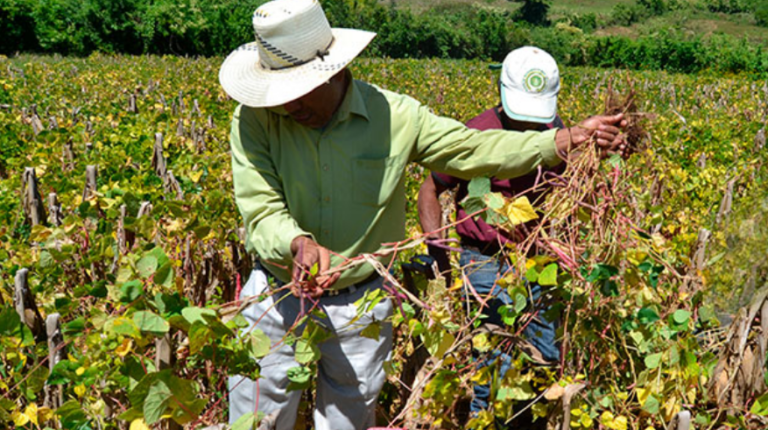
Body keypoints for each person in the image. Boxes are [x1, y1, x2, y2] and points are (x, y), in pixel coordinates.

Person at [218, 1, 626, 429]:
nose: (289, 105)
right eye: (280, 93)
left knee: (346, 423)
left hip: (360, 305)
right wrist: (297, 243)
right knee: (256, 421)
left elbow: (476, 149)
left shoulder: (395, 116)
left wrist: (564, 140)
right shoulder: (254, 119)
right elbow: (261, 209)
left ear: (334, 71)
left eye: (299, 90)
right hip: (278, 299)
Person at [417, 47, 564, 429]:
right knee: (494, 364)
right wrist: (439, 252)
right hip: (483, 260)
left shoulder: (557, 132)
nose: (530, 128)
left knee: (546, 358)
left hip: (537, 260)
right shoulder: (475, 132)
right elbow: (430, 188)